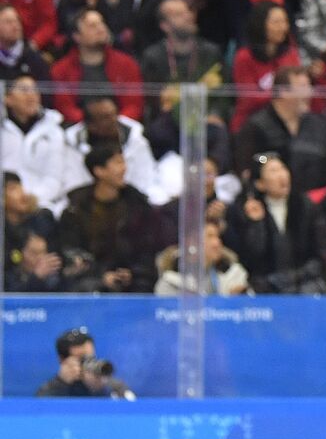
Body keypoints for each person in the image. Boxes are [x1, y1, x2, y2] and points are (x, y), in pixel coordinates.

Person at [57, 144, 165, 293]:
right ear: (99, 171)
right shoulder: (75, 210)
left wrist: (132, 273)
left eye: (123, 162)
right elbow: (71, 251)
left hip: (134, 280)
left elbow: (146, 249)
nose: (124, 168)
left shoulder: (138, 206)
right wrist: (101, 276)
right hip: (90, 280)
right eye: (117, 162)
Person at [225, 152, 326, 293]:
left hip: (304, 281)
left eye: (283, 168)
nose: (282, 175)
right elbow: (250, 259)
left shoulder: (305, 206)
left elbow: (321, 252)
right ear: (260, 184)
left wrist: (293, 277)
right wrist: (257, 224)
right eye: (273, 171)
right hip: (266, 286)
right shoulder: (245, 210)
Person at [233, 66, 326, 196]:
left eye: (310, 87)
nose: (309, 93)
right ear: (283, 92)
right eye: (303, 87)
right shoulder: (257, 126)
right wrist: (269, 159)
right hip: (271, 199)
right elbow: (250, 162)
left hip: (315, 200)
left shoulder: (319, 126)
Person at [49, 8, 144, 124]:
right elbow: (65, 108)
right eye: (92, 26)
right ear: (76, 36)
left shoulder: (126, 64)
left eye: (102, 23)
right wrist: (91, 126)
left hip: (121, 129)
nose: (101, 28)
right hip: (78, 130)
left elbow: (133, 105)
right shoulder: (61, 71)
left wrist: (116, 124)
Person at [1, 74, 70, 213]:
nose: (31, 96)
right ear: (7, 98)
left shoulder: (54, 131)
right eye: (24, 90)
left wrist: (34, 198)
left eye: (34, 90)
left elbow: (54, 176)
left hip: (42, 205)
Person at [230, 2, 301, 132]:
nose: (283, 27)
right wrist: (281, 95)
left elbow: (298, 89)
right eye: (276, 22)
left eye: (285, 21)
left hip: (285, 124)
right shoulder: (244, 57)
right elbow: (248, 98)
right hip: (250, 124)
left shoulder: (291, 55)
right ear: (261, 24)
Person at [154, 220, 251, 295]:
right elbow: (165, 315)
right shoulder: (171, 281)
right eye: (210, 236)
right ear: (191, 242)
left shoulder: (233, 274)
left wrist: (237, 301)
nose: (217, 243)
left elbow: (252, 312)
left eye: (218, 236)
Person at [36, 327, 135, 399]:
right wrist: (61, 383)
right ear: (62, 360)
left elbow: (131, 408)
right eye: (82, 359)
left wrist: (100, 389)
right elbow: (40, 410)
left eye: (91, 358)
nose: (89, 363)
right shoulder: (52, 389)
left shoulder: (109, 385)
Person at [0, 3, 49, 83]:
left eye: (17, 20)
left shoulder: (34, 59)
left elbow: (46, 93)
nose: (15, 26)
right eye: (8, 22)